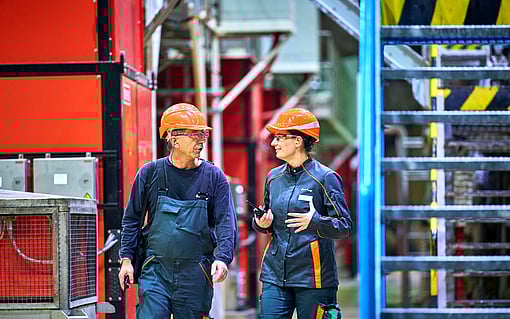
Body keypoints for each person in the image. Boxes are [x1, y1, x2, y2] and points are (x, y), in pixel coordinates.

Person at [118, 103, 237, 319]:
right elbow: (132, 220)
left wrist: (222, 258)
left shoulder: (214, 177)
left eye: (203, 134)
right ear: (173, 137)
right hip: (156, 271)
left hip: (196, 274)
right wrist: (126, 259)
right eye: (194, 134)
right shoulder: (150, 173)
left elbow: (226, 223)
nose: (200, 139)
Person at [253, 108, 353, 318]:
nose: (274, 143)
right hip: (275, 274)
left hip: (314, 278)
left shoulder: (325, 178)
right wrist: (262, 223)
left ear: (298, 141)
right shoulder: (273, 177)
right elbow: (269, 220)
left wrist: (315, 222)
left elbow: (344, 226)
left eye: (280, 137)